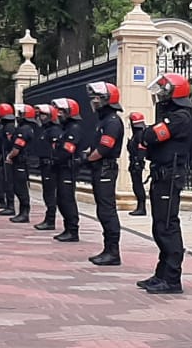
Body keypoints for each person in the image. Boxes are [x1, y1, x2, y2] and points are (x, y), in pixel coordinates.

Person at [131, 73, 192, 294]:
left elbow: (150, 137)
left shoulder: (180, 117)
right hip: (161, 175)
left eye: (164, 92)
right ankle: (161, 273)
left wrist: (145, 132)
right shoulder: (172, 115)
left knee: (167, 226)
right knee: (159, 226)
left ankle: (172, 278)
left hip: (169, 176)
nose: (160, 96)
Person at [85, 83, 126, 266]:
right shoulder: (103, 120)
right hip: (100, 168)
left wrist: (87, 158)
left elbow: (103, 148)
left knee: (107, 210)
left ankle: (113, 251)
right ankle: (108, 249)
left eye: (98, 98)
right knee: (102, 209)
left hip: (105, 169)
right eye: (93, 98)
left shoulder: (112, 121)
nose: (94, 101)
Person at [52, 97, 85, 243]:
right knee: (61, 199)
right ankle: (68, 228)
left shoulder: (74, 129)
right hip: (62, 167)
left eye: (62, 111)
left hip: (68, 168)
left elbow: (67, 150)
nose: (58, 114)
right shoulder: (66, 129)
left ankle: (72, 230)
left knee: (67, 199)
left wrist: (57, 158)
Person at [0, 104, 35, 223]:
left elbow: (17, 147)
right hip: (20, 162)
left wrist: (10, 156)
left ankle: (24, 213)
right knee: (18, 187)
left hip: (20, 162)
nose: (18, 117)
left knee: (21, 188)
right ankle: (22, 212)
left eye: (20, 114)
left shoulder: (24, 130)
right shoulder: (26, 128)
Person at [32, 104, 60, 229]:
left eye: (43, 115)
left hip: (50, 166)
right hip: (44, 165)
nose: (40, 118)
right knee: (46, 193)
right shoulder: (45, 130)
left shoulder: (54, 130)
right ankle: (48, 218)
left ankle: (50, 220)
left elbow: (55, 149)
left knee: (50, 194)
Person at [127, 112, 150, 217]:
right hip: (134, 161)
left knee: (138, 185)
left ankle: (141, 207)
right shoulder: (136, 134)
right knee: (136, 184)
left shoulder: (139, 134)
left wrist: (137, 162)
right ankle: (140, 206)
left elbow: (141, 149)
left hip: (137, 163)